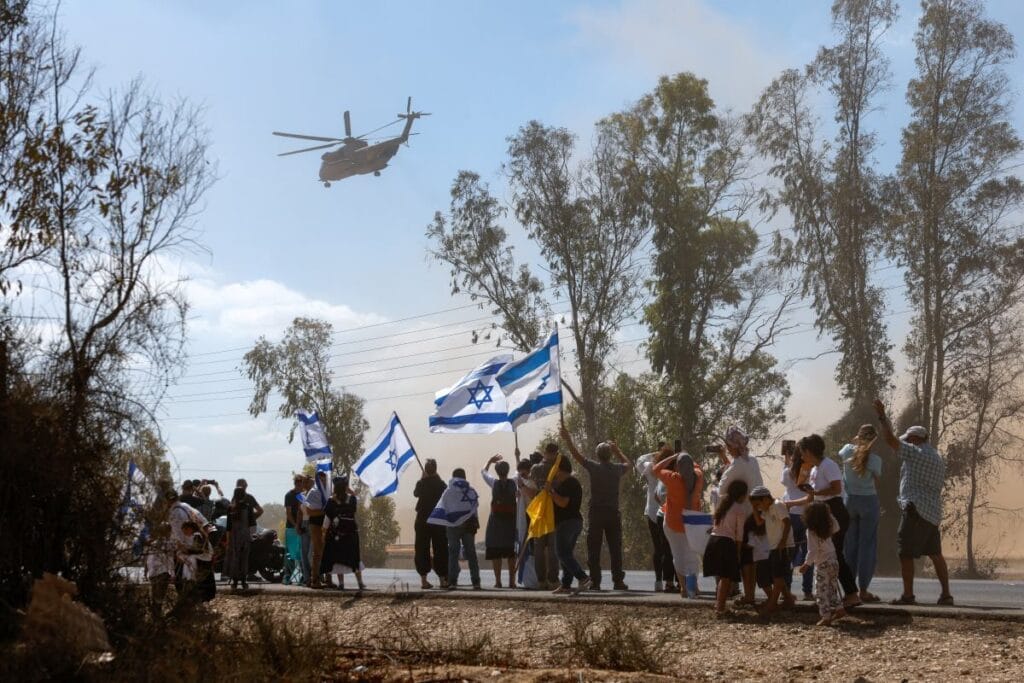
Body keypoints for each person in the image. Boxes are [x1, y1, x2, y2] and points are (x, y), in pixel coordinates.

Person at [872, 399, 954, 606]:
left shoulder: (916, 453)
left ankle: (908, 595)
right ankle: (946, 595)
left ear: (916, 439)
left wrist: (882, 416)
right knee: (936, 553)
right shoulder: (936, 456)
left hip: (916, 509)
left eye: (908, 439)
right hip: (932, 512)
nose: (906, 443)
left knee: (905, 552)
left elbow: (890, 439)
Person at [784, 434, 861, 608]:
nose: (801, 456)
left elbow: (836, 488)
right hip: (823, 512)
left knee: (834, 554)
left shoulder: (828, 465)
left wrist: (815, 493)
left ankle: (851, 594)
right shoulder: (814, 469)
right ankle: (838, 595)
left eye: (803, 452)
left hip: (835, 511)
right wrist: (789, 504)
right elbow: (810, 498)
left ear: (810, 451)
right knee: (829, 554)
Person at [560, 422, 630, 591]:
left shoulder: (594, 467)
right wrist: (617, 450)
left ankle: (595, 581)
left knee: (594, 548)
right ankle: (618, 581)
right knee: (615, 549)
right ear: (609, 455)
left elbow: (577, 455)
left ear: (598, 455)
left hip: (597, 513)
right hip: (613, 513)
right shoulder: (617, 469)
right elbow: (629, 464)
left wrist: (568, 439)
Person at [714, 425, 763, 606]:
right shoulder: (753, 461)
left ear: (734, 445)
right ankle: (750, 594)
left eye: (728, 445)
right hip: (756, 513)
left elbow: (721, 489)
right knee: (751, 558)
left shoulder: (737, 465)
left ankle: (747, 595)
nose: (727, 448)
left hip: (741, 515)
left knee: (743, 559)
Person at [652, 449, 703, 599]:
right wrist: (687, 456)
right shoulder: (698, 477)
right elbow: (697, 466)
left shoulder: (673, 478)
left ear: (678, 467)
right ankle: (694, 587)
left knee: (678, 554)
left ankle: (683, 587)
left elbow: (655, 469)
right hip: (692, 523)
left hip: (673, 523)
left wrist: (674, 456)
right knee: (691, 555)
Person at [840, 424, 883, 603]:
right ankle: (864, 590)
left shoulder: (847, 451)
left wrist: (857, 442)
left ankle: (850, 590)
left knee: (850, 546)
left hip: (850, 501)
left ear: (858, 436)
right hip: (868, 500)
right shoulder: (875, 459)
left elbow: (846, 449)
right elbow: (877, 480)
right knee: (867, 546)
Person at [428, 468, 481, 590]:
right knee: (471, 553)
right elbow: (474, 509)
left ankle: (452, 581)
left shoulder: (448, 491)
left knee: (453, 554)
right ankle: (476, 582)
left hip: (452, 527)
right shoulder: (471, 491)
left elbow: (442, 507)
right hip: (468, 527)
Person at [703, 479, 749, 615]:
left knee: (721, 576)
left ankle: (719, 604)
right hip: (726, 543)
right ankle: (720, 607)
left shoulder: (723, 504)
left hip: (713, 540)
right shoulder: (739, 509)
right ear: (741, 495)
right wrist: (738, 551)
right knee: (726, 577)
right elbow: (739, 533)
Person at [546, 456, 591, 595]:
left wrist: (551, 492)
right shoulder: (567, 482)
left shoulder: (569, 483)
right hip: (572, 522)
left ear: (560, 469)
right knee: (566, 554)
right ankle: (566, 584)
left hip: (568, 522)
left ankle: (583, 577)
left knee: (562, 553)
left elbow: (563, 503)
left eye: (556, 470)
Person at [799, 501, 848, 626]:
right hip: (834, 562)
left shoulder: (811, 531)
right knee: (831, 588)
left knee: (821, 592)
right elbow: (837, 527)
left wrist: (806, 564)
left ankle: (825, 616)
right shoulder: (829, 526)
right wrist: (830, 515)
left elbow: (813, 550)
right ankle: (839, 608)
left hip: (822, 564)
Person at [749, 485, 795, 616]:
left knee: (778, 576)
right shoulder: (767, 509)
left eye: (758, 504)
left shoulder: (778, 505)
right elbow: (759, 522)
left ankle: (772, 604)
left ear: (765, 499)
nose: (758, 507)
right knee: (777, 575)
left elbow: (787, 522)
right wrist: (754, 508)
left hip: (784, 546)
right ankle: (788, 599)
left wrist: (782, 541)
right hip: (774, 546)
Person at [636, 444, 675, 592]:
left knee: (658, 549)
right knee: (669, 548)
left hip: (652, 512)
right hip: (667, 511)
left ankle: (658, 580)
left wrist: (655, 453)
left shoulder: (652, 468)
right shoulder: (672, 469)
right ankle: (669, 581)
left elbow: (639, 460)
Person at [782, 443, 814, 600]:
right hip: (807, 514)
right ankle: (807, 591)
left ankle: (786, 589)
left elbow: (786, 484)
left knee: (789, 553)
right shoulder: (809, 471)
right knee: (810, 552)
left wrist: (786, 460)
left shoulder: (788, 472)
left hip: (792, 514)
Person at [323, 475, 366, 591]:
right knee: (354, 558)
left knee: (338, 559)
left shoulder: (331, 501)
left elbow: (327, 520)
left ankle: (341, 584)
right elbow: (357, 502)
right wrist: (350, 491)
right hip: (351, 533)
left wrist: (324, 532)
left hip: (336, 534)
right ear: (346, 486)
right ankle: (360, 583)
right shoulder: (352, 499)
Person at [529, 443, 562, 590]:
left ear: (545, 452)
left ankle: (541, 580)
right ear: (555, 453)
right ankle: (553, 579)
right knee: (553, 548)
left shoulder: (535, 468)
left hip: (538, 511)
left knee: (539, 547)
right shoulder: (557, 469)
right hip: (553, 511)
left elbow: (532, 486)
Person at [481, 455, 518, 588]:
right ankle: (512, 582)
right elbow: (518, 472)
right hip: (510, 522)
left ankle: (498, 581)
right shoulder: (514, 482)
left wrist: (489, 461)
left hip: (496, 522)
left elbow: (483, 472)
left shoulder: (493, 483)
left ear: (497, 472)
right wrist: (517, 457)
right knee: (511, 552)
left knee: (496, 551)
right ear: (507, 471)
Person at [413, 459, 449, 589]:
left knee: (422, 549)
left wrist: (422, 479)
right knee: (440, 549)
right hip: (437, 520)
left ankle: (424, 580)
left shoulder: (421, 483)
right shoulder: (441, 484)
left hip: (422, 519)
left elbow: (416, 493)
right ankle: (443, 579)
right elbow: (445, 493)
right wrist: (436, 478)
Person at [302, 470, 329, 589]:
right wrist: (323, 511)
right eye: (321, 479)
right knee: (317, 552)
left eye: (324, 478)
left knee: (327, 552)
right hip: (316, 524)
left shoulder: (328, 491)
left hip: (327, 524)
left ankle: (328, 579)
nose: (323, 481)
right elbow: (309, 512)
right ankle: (314, 580)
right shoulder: (313, 492)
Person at [144, 522, 175, 617]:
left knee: (154, 595)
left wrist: (146, 571)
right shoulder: (168, 544)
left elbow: (147, 558)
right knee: (160, 596)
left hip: (152, 572)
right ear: (168, 532)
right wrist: (173, 574)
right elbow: (170, 559)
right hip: (162, 572)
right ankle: (157, 617)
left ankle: (154, 616)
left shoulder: (152, 543)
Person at [224, 486, 252, 591]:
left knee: (235, 559)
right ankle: (244, 581)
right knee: (244, 559)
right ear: (244, 495)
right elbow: (251, 523)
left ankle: (235, 582)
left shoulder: (231, 508)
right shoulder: (248, 507)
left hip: (234, 536)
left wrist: (227, 540)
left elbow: (228, 527)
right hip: (245, 536)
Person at [283, 475, 304, 586]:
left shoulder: (304, 495)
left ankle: (302, 577)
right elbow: (289, 513)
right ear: (295, 483)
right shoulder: (289, 495)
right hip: (291, 528)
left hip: (303, 528)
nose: (299, 484)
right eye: (297, 482)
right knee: (290, 554)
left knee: (301, 553)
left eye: (301, 482)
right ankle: (287, 576)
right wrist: (296, 525)